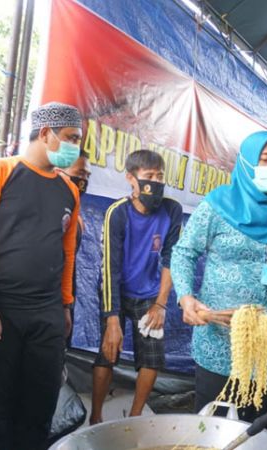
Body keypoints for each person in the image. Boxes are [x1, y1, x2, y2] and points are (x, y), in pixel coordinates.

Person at [0, 102, 82, 449]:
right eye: (71, 137)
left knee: (37, 414)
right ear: (45, 134)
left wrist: (65, 306)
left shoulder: (68, 190)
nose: (76, 147)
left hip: (46, 318)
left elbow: (66, 253)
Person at [171, 130, 267, 422]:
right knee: (213, 424)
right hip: (219, 334)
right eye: (265, 159)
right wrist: (186, 298)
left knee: (253, 420)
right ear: (247, 163)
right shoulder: (217, 204)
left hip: (264, 333)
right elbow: (184, 252)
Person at [89, 150, 182, 424]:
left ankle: (135, 418)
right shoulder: (117, 213)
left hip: (150, 295)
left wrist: (161, 303)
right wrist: (112, 319)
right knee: (108, 353)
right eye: (149, 176)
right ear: (131, 178)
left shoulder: (171, 210)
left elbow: (171, 257)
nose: (156, 181)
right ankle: (95, 417)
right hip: (115, 292)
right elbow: (110, 268)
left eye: (160, 176)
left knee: (152, 358)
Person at [58, 150, 91, 346]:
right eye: (79, 173)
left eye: (87, 175)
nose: (83, 180)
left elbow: (68, 262)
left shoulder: (77, 220)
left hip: (62, 300)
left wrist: (66, 305)